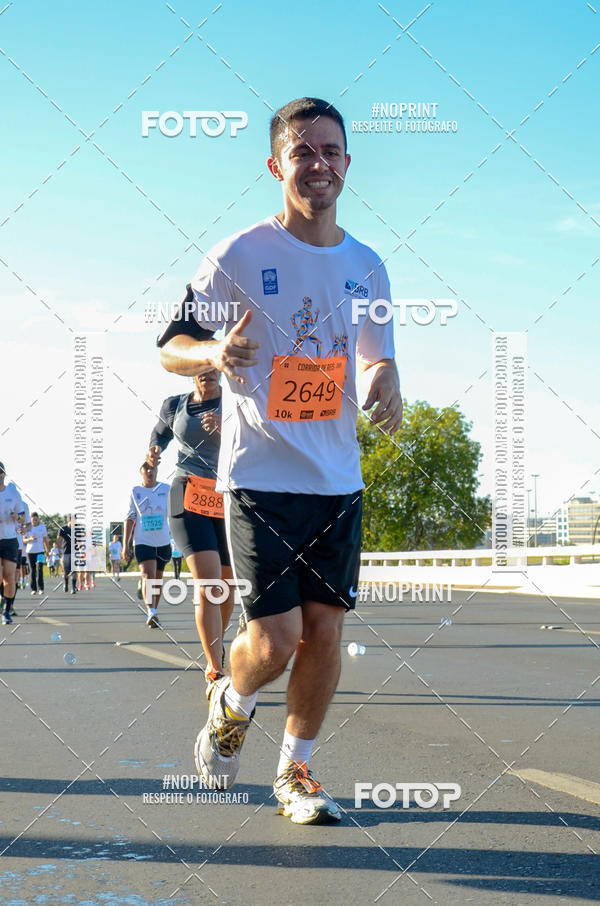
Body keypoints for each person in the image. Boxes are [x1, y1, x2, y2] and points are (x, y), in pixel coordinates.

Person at [158, 98, 402, 824]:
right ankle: (232, 704)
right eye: (303, 152)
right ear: (276, 165)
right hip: (260, 477)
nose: (318, 164)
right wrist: (212, 352)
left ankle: (295, 771)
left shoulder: (369, 266)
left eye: (331, 151)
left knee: (325, 634)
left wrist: (385, 377)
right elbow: (171, 344)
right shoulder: (237, 256)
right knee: (275, 641)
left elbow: (376, 356)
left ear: (348, 164)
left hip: (338, 480)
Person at [145, 368, 233, 690]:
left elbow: (261, 442)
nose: (206, 374)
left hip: (226, 498)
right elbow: (159, 433)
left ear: (222, 371)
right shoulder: (175, 405)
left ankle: (217, 645)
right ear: (192, 372)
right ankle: (214, 670)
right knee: (209, 583)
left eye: (212, 369)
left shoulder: (236, 404)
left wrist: (227, 430)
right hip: (187, 492)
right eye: (200, 369)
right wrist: (154, 449)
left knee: (227, 586)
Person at [123, 462, 170, 628]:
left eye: (153, 469)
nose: (150, 472)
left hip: (163, 541)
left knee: (157, 579)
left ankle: (154, 609)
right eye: (146, 469)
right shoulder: (136, 491)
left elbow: (175, 514)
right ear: (141, 472)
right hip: (143, 541)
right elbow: (130, 518)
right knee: (148, 575)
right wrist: (125, 545)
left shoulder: (167, 489)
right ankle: (151, 611)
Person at [0, 462, 26, 625]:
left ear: (4, 474)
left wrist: (17, 517)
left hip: (10, 540)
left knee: (10, 577)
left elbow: (23, 519)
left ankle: (6, 611)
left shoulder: (13, 493)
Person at [23, 512, 49, 596]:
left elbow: (45, 539)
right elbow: (24, 540)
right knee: (32, 570)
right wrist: (30, 539)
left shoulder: (42, 527)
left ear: (38, 519)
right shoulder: (27, 527)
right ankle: (33, 589)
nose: (35, 521)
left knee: (40, 569)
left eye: (36, 519)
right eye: (33, 520)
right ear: (31, 520)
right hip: (30, 552)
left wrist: (47, 550)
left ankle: (41, 588)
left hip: (40, 551)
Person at [58, 515, 77, 594]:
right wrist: (59, 550)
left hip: (75, 553)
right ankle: (66, 583)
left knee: (74, 571)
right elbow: (59, 540)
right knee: (66, 571)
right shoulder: (63, 529)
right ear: (68, 521)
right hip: (65, 552)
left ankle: (73, 587)